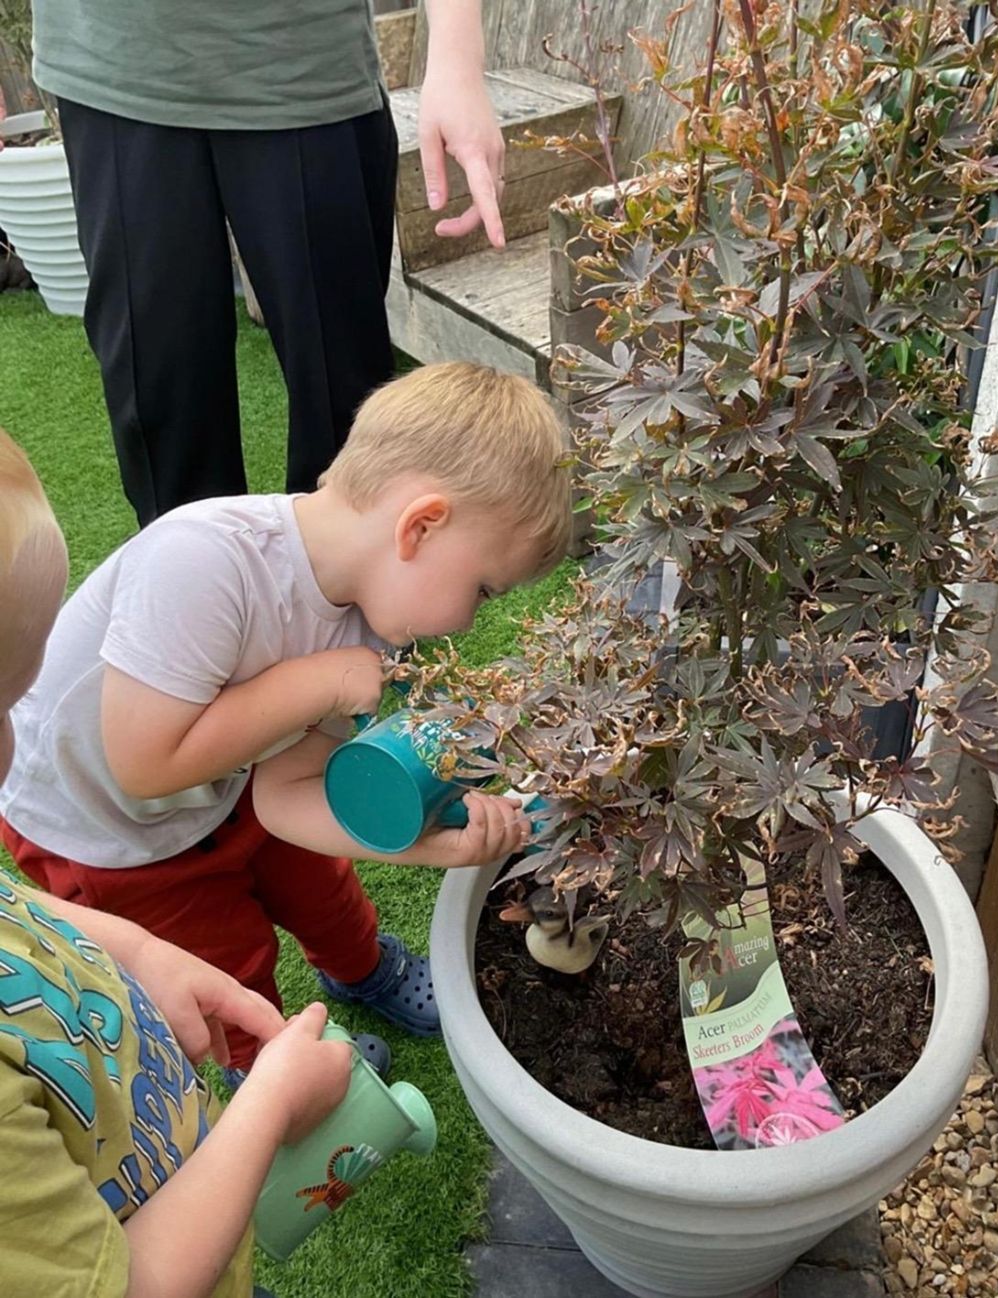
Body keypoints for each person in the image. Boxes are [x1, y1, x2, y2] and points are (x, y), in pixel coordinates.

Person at [0, 361, 571, 1080]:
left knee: (321, 886)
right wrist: (319, 683)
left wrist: (426, 844)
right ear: (420, 525)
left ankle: (362, 969)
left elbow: (283, 796)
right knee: (221, 955)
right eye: (483, 590)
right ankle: (268, 1064)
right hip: (106, 831)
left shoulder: (370, 624)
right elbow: (142, 764)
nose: (471, 616)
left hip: (224, 784)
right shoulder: (206, 559)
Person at [0, 425, 357, 1297]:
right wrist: (269, 1102)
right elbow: (135, 1285)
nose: (19, 737)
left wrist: (139, 954)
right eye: (2, 702)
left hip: (170, 1185)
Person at [30, 0, 507, 527]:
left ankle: (349, 607)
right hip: (111, 63)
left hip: (303, 67)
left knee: (348, 428)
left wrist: (457, 61)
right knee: (165, 426)